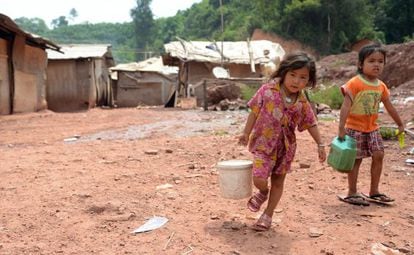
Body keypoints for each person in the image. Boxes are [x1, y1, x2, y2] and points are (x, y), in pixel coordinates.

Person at [238, 52, 326, 231]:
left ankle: (267, 215)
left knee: (278, 181)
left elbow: (311, 123)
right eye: (292, 75)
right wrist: (246, 133)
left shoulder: (302, 102)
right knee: (259, 177)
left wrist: (320, 144)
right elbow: (254, 111)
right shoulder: (267, 91)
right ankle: (263, 191)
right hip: (264, 143)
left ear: (308, 81)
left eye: (302, 78)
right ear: (284, 73)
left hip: (286, 148)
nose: (296, 81)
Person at [337, 43, 404, 206]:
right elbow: (345, 106)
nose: (377, 64)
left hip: (372, 128)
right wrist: (341, 129)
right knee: (356, 160)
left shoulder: (381, 86)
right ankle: (352, 192)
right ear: (361, 64)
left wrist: (400, 124)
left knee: (379, 154)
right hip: (354, 128)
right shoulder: (355, 83)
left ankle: (374, 191)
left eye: (380, 61)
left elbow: (389, 106)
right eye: (372, 61)